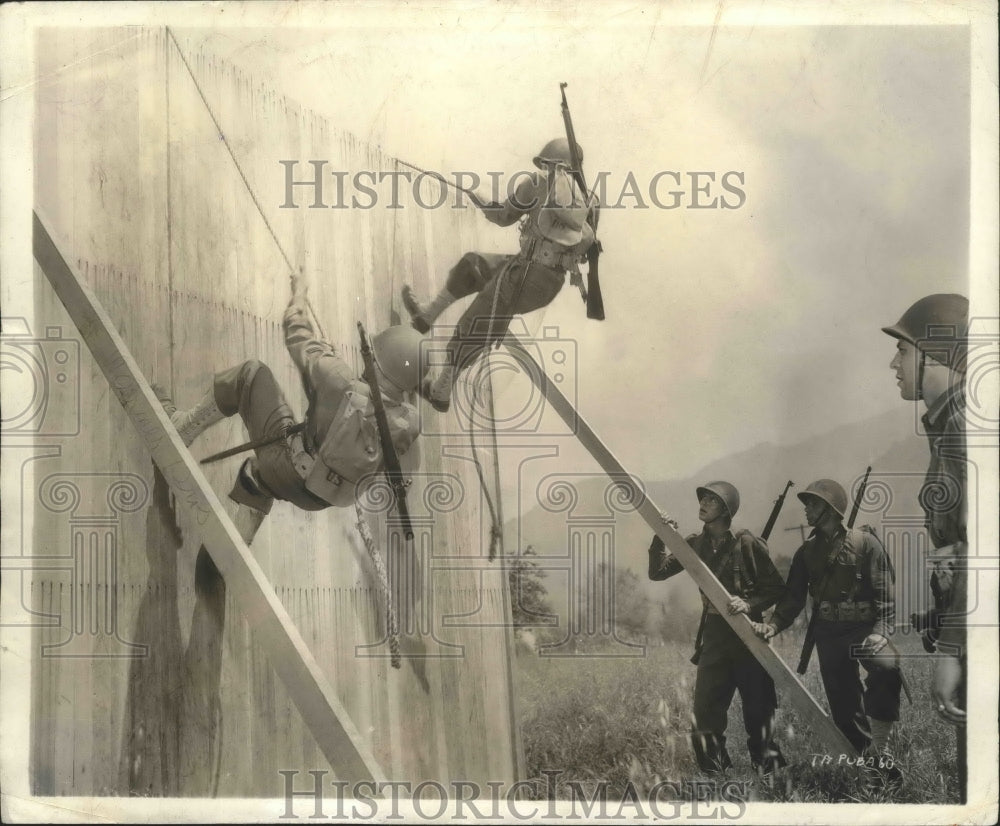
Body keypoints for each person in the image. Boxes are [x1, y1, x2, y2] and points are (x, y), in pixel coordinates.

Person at [157, 280, 425, 514]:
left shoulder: (337, 377)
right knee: (264, 469)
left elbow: (296, 332)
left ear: (377, 363)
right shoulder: (410, 424)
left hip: (289, 470)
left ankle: (183, 427)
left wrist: (299, 294)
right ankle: (248, 510)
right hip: (319, 500)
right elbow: (375, 407)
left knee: (250, 374)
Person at [402, 138, 596, 412]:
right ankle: (426, 316)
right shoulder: (588, 202)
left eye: (545, 164)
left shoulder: (539, 183)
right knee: (474, 265)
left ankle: (441, 391)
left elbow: (504, 216)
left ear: (550, 163)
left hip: (525, 274)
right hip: (546, 282)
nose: (543, 168)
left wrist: (481, 201)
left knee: (476, 320)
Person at [752, 480, 903, 771]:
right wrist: (773, 625)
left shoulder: (865, 543)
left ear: (832, 510)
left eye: (814, 504)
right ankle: (870, 768)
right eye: (807, 504)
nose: (807, 510)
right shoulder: (805, 553)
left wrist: (880, 632)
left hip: (864, 630)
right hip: (829, 635)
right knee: (845, 709)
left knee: (887, 668)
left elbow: (886, 593)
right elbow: (792, 599)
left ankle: (880, 749)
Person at [882, 292, 968, 797]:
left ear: (935, 358)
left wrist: (955, 652)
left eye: (904, 351)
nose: (894, 363)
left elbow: (981, 555)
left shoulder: (961, 429)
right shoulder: (947, 427)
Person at [647, 481, 787, 775]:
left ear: (725, 509)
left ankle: (771, 776)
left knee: (759, 712)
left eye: (711, 499)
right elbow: (657, 572)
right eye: (703, 498)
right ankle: (716, 774)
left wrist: (749, 604)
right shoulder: (693, 543)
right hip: (714, 635)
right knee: (705, 713)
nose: (703, 503)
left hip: (749, 634)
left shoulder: (747, 544)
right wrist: (661, 537)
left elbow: (776, 588)